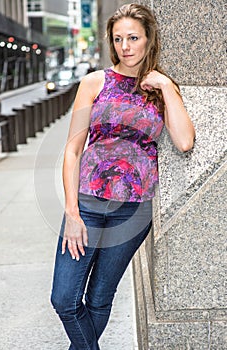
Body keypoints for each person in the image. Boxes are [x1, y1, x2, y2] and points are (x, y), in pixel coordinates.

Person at [51, 3, 195, 350]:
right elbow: (72, 151)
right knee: (65, 300)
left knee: (100, 299)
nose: (125, 46)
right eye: (118, 39)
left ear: (148, 39)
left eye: (133, 37)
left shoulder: (160, 88)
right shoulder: (94, 83)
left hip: (133, 212)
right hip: (87, 204)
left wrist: (166, 86)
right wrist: (71, 212)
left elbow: (185, 141)